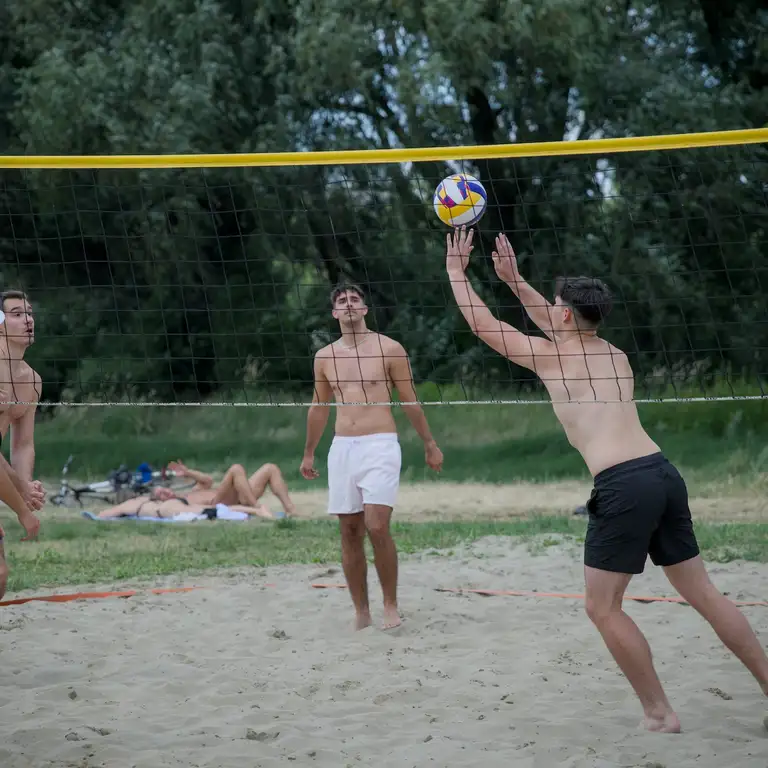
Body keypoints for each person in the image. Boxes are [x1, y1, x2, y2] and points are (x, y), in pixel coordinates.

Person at [444, 226, 768, 733]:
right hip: (663, 473)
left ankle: (659, 714)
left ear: (566, 315)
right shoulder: (613, 355)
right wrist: (515, 282)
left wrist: (455, 274)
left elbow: (485, 327)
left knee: (602, 607)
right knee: (704, 592)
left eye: (556, 308)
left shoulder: (555, 357)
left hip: (622, 484)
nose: (550, 313)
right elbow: (557, 323)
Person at [300, 282, 444, 631]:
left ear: (364, 309)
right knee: (349, 531)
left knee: (376, 525)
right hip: (342, 447)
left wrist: (429, 443)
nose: (348, 304)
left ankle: (390, 605)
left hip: (380, 442)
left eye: (354, 299)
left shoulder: (389, 349)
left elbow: (409, 399)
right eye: (341, 301)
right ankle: (361, 611)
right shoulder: (325, 357)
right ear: (334, 313)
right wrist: (308, 453)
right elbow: (320, 407)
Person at [0, 290, 43, 600]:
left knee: (0, 578)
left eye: (29, 313)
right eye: (16, 313)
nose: (27, 319)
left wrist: (25, 485)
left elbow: (23, 445)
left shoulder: (32, 380)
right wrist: (22, 505)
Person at [154, 459, 296, 519]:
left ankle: (291, 510)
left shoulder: (189, 492)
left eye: (163, 489)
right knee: (236, 469)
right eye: (161, 494)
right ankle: (258, 507)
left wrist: (188, 472)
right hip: (222, 502)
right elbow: (205, 510)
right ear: (160, 501)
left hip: (241, 495)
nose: (165, 492)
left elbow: (207, 480)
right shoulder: (182, 503)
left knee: (270, 468)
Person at [89, 495, 270, 521]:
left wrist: (97, 515)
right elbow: (107, 514)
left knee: (212, 509)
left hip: (169, 509)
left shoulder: (132, 504)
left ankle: (257, 511)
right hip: (172, 507)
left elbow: (105, 514)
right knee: (214, 508)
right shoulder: (136, 503)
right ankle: (257, 510)